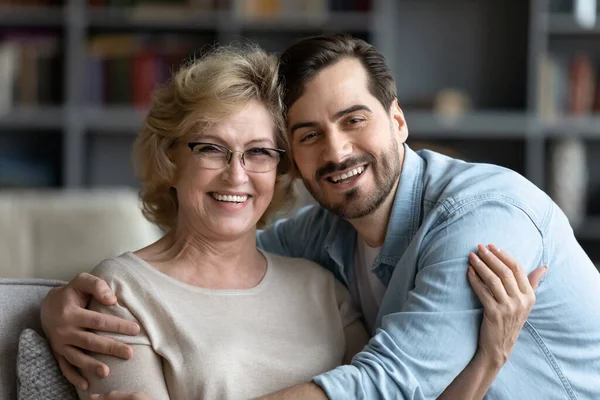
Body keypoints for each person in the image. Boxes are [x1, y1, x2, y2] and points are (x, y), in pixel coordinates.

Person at [40, 38, 557, 399]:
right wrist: (46, 303)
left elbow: (395, 387)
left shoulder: (320, 282)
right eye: (212, 149)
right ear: (172, 159)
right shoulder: (119, 295)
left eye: (260, 152)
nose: (237, 176)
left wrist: (489, 361)